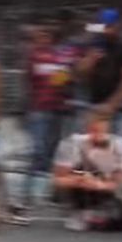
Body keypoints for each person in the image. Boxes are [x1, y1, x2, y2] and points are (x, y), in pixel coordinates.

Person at [17, 23, 77, 212]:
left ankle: (53, 193)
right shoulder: (33, 56)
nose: (43, 39)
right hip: (38, 110)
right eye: (40, 36)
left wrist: (66, 95)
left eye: (46, 35)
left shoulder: (59, 58)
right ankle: (27, 195)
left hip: (57, 110)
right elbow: (28, 82)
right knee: (38, 150)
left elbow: (63, 83)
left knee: (55, 152)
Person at [53, 111, 122, 232]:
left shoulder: (121, 145)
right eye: (94, 130)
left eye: (101, 130)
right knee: (78, 172)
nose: (97, 134)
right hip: (81, 180)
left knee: (120, 214)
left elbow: (119, 182)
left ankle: (103, 212)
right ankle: (79, 211)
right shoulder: (71, 144)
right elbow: (58, 179)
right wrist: (79, 180)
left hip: (106, 184)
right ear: (87, 128)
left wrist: (98, 184)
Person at [76, 8, 122, 132]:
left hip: (115, 110)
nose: (106, 30)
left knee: (114, 146)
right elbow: (79, 74)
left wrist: (112, 105)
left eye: (110, 26)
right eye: (104, 26)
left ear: (117, 26)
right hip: (93, 106)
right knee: (93, 147)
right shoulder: (92, 45)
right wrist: (90, 60)